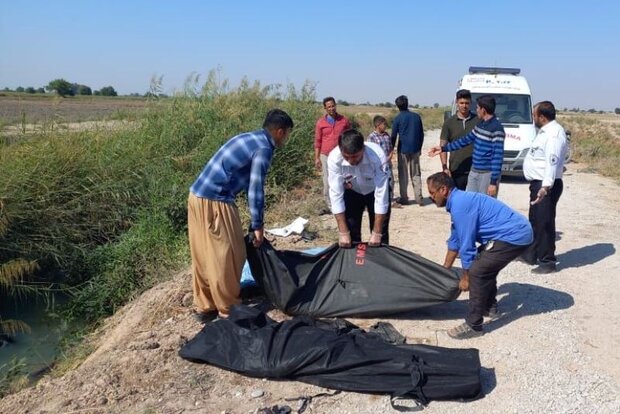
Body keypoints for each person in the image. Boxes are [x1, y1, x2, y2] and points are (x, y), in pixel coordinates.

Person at [188, 109, 294, 322]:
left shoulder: (248, 137)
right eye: (288, 134)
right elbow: (255, 188)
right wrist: (258, 225)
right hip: (216, 200)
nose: (287, 139)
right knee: (229, 255)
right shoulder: (264, 149)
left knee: (203, 254)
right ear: (281, 132)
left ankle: (204, 306)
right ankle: (229, 310)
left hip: (196, 197)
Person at [427, 172, 532, 339]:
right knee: (486, 264)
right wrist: (444, 270)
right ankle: (489, 307)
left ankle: (474, 324)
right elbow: (455, 240)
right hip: (509, 234)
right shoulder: (458, 202)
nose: (431, 197)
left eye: (432, 193)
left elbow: (467, 246)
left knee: (477, 270)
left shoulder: (460, 205)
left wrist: (466, 277)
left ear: (443, 190)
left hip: (515, 235)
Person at [521, 101, 568, 274]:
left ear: (542, 117)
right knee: (534, 220)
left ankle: (548, 261)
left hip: (545, 185)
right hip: (538, 184)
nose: (533, 118)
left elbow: (552, 162)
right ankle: (531, 254)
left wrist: (545, 187)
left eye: (534, 115)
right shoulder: (544, 131)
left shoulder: (554, 134)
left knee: (545, 222)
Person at [429, 95, 505, 198]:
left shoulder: (497, 129)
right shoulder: (481, 125)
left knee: (483, 204)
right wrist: (443, 148)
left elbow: (497, 157)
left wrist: (493, 182)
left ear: (483, 110)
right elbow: (465, 140)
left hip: (487, 174)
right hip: (474, 171)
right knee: (469, 201)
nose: (476, 110)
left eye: (478, 108)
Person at [328, 129, 391, 247]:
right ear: (341, 151)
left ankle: (379, 262)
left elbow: (381, 195)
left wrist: (376, 232)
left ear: (363, 148)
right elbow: (336, 194)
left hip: (374, 190)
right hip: (352, 191)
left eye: (356, 156)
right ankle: (353, 264)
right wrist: (343, 232)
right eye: (347, 157)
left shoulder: (377, 156)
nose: (352, 161)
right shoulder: (334, 158)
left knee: (380, 236)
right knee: (350, 236)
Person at [314, 97, 351, 214]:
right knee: (327, 181)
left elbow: (349, 136)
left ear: (336, 105)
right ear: (325, 108)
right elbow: (317, 141)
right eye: (328, 107)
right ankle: (331, 206)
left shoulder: (344, 120)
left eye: (333, 106)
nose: (331, 108)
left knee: (343, 178)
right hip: (325, 155)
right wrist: (317, 158)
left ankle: (344, 202)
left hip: (341, 154)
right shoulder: (321, 123)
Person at [439, 89, 479, 190]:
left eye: (467, 103)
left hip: (475, 170)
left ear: (470, 103)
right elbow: (443, 146)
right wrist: (444, 167)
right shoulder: (449, 123)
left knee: (473, 202)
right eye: (461, 103)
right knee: (458, 202)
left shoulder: (478, 120)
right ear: (456, 103)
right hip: (456, 170)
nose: (464, 106)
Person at [390, 95, 425, 206]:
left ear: (398, 106)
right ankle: (419, 198)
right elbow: (422, 134)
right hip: (415, 148)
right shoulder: (416, 116)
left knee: (403, 175)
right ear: (407, 103)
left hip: (403, 150)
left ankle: (404, 198)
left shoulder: (398, 118)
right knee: (416, 173)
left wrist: (391, 149)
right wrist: (419, 148)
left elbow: (394, 136)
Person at [367, 115, 400, 208]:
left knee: (390, 181)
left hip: (387, 163)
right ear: (378, 125)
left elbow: (390, 148)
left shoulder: (386, 136)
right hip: (377, 165)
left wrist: (389, 157)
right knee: (377, 182)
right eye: (384, 124)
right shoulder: (371, 137)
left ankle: (390, 200)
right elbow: (370, 152)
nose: (385, 126)